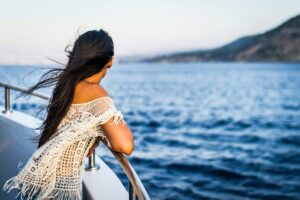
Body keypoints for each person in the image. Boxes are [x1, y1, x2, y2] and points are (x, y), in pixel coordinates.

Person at [2, 29, 134, 199]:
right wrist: (102, 132)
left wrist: (98, 131)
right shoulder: (96, 93)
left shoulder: (67, 84)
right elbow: (125, 146)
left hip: (45, 178)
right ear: (110, 61)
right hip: (61, 187)